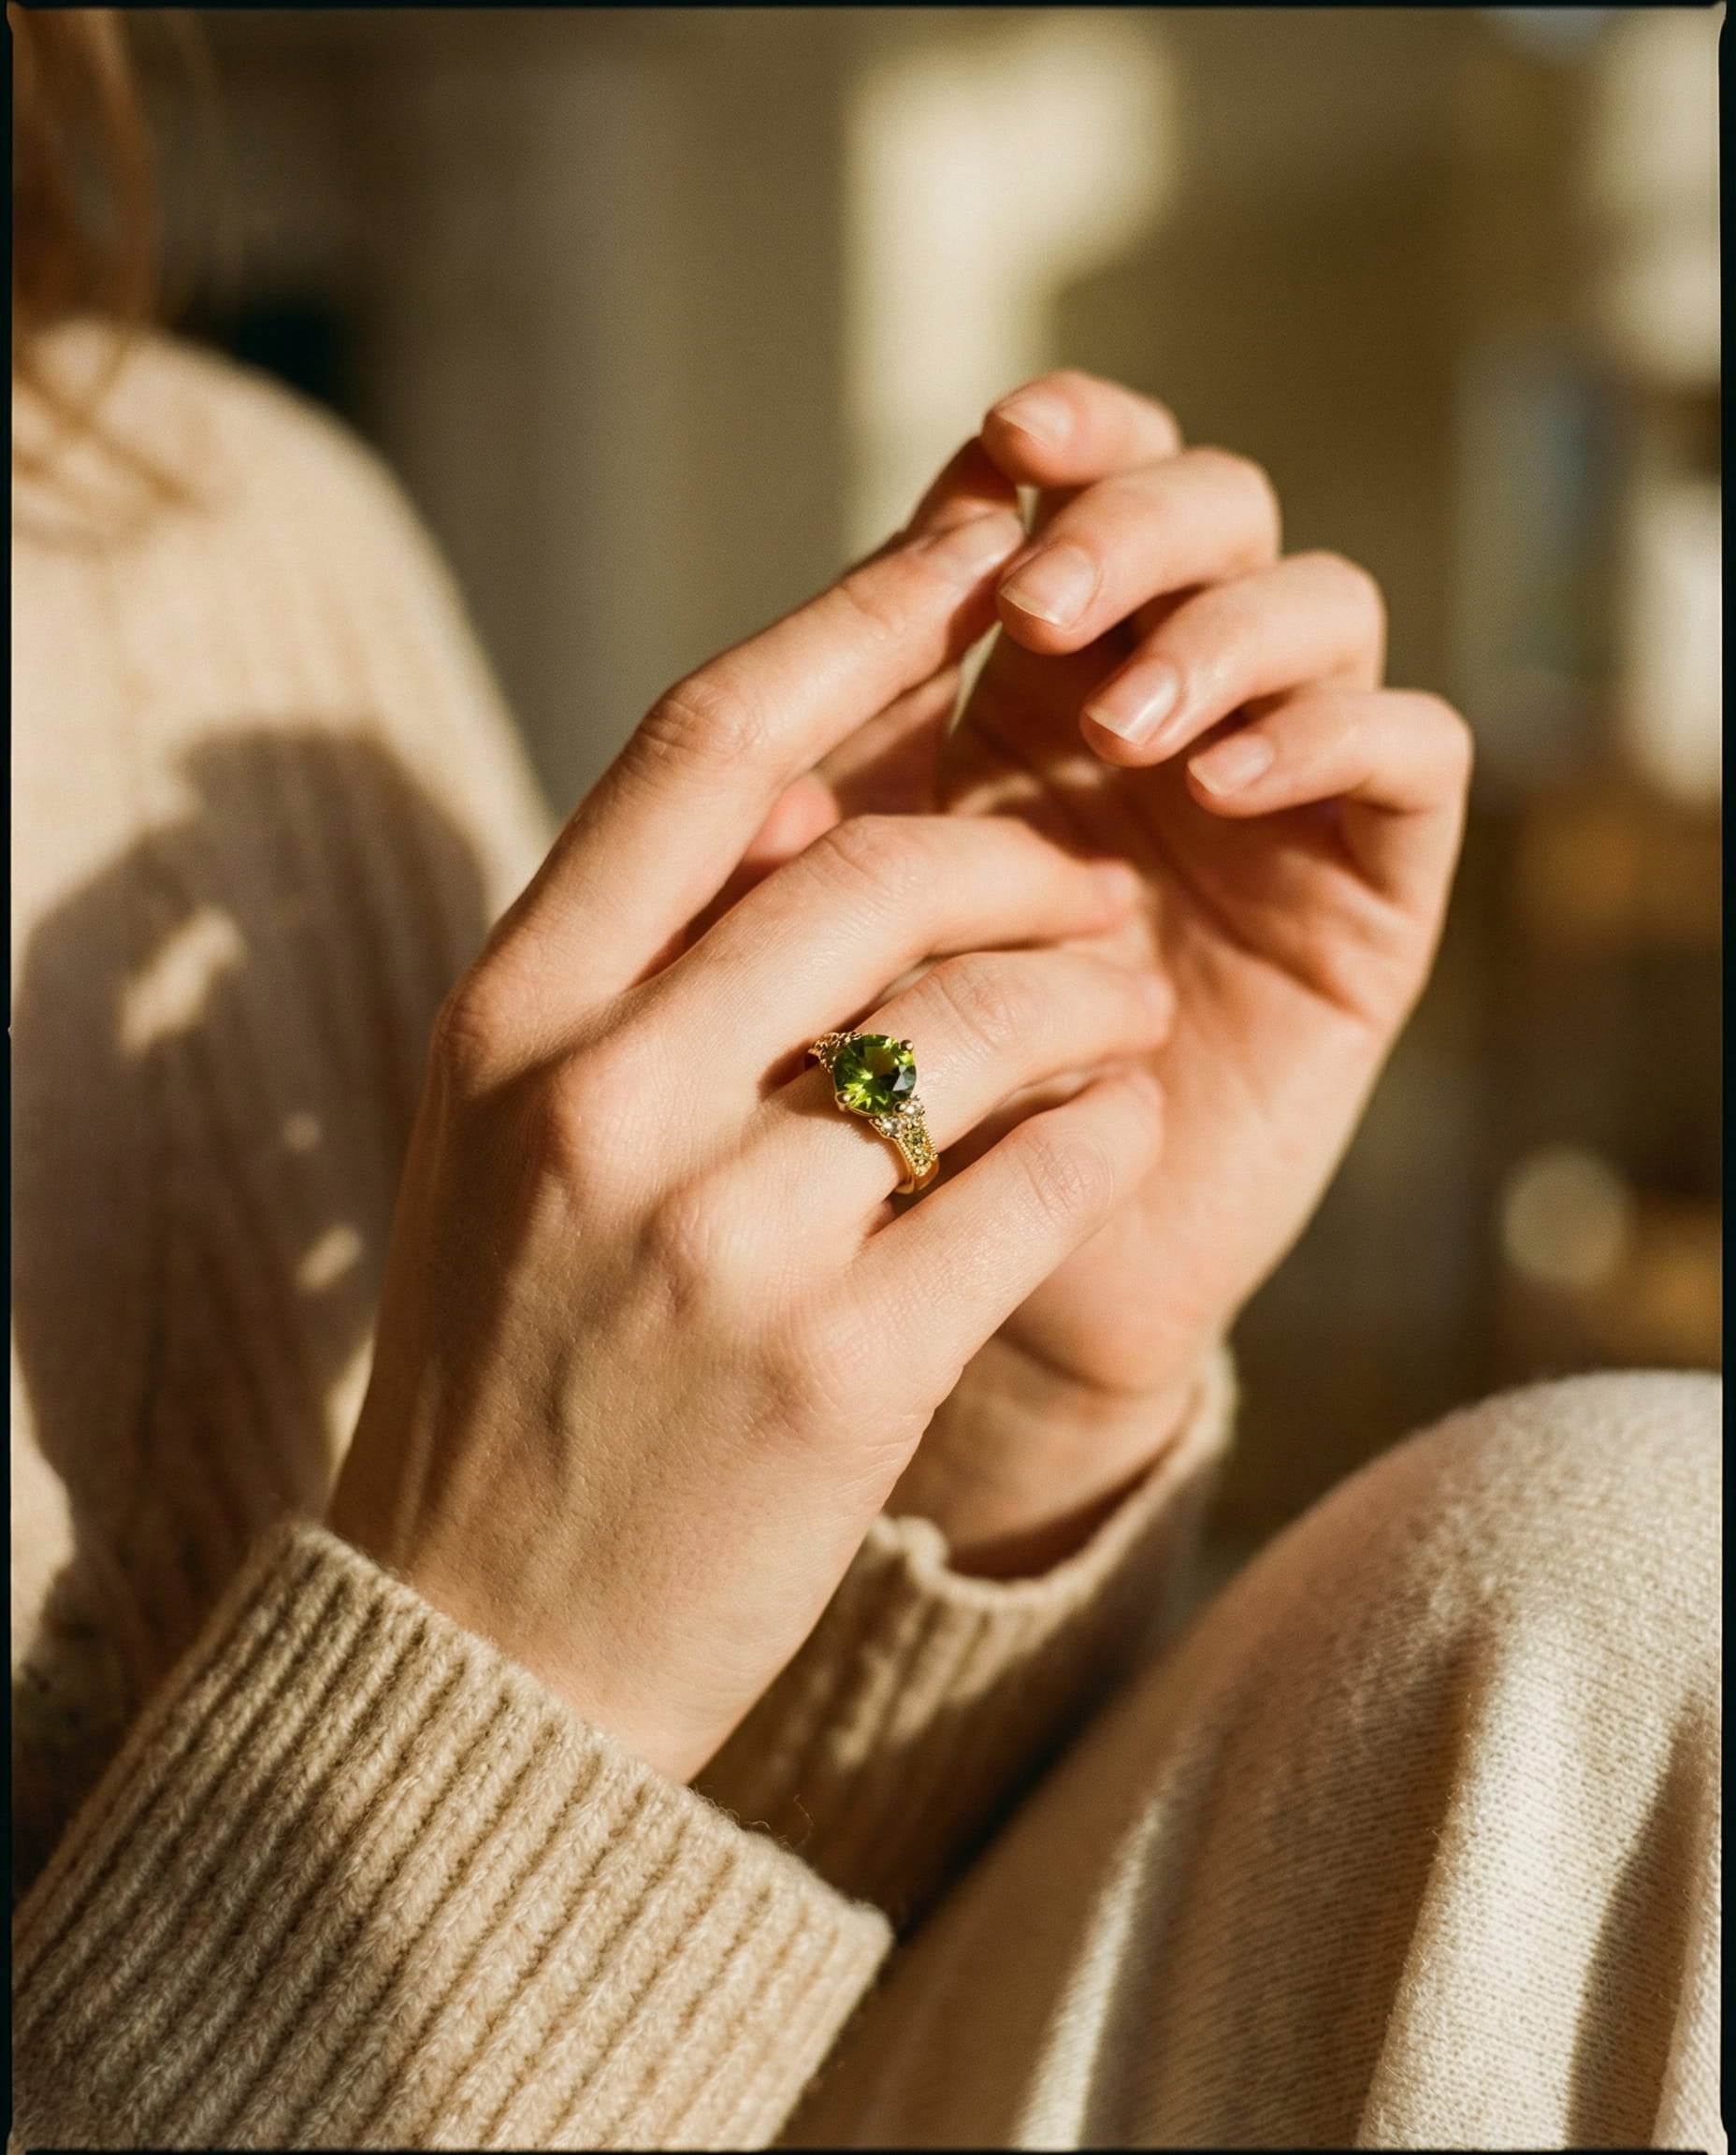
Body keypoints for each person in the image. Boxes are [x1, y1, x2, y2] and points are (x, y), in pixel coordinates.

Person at [11, 13, 1718, 2149]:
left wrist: (993, 1393)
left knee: (1649, 1567)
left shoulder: (237, 542)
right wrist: (496, 1664)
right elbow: (534, 1661)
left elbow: (697, 2007)